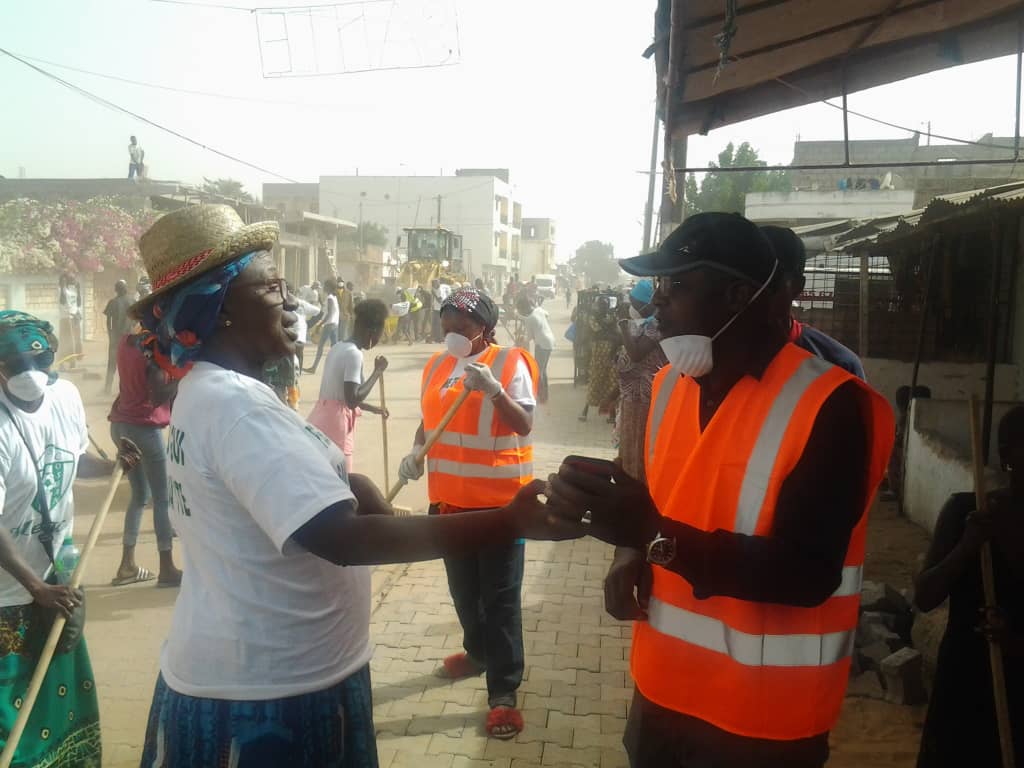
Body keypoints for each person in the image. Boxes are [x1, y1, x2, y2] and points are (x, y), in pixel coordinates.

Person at [130, 205, 577, 767]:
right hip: (270, 694)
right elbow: (343, 540)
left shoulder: (214, 391)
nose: (292, 303)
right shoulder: (239, 410)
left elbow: (281, 491)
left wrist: (352, 480)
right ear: (218, 309)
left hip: (260, 667)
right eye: (271, 289)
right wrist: (509, 522)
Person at [545, 212, 895, 768]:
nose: (657, 302)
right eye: (657, 286)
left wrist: (650, 536)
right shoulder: (668, 386)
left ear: (736, 295)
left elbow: (808, 573)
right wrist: (628, 549)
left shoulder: (831, 405)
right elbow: (662, 503)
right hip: (663, 692)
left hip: (763, 720)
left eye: (676, 285)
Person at [397, 288, 539, 739]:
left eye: (464, 325)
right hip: (448, 504)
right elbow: (430, 418)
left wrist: (494, 391)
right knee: (464, 594)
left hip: (500, 508)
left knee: (499, 602)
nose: (453, 332)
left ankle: (503, 695)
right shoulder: (438, 365)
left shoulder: (511, 362)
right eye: (447, 323)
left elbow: (523, 423)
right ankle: (477, 654)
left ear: (484, 328)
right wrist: (417, 451)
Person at [0, 310, 138, 768]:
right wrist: (34, 588)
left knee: (58, 686)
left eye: (39, 367)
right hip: (8, 592)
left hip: (59, 570)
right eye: (15, 369)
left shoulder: (66, 397)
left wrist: (113, 464)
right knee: (11, 703)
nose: (30, 379)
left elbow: (72, 457)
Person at [913, 406, 1024, 768]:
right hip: (965, 679)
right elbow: (926, 597)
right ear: (1006, 453)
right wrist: (968, 545)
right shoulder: (966, 511)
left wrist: (1016, 640)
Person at [108, 331, 181, 587]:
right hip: (144, 426)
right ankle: (167, 567)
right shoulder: (155, 346)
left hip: (120, 424)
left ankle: (127, 565)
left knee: (139, 497)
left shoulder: (126, 340)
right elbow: (159, 393)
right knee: (162, 498)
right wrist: (184, 377)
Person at [760, 225, 866, 380]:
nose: (747, 294)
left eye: (766, 280)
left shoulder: (840, 366)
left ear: (796, 286)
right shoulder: (717, 358)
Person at [307, 300, 389, 472]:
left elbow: (340, 396)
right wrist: (377, 372)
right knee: (343, 482)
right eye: (379, 337)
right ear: (371, 333)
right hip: (336, 426)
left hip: (320, 417)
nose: (376, 342)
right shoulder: (354, 354)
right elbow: (351, 400)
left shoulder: (338, 347)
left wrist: (374, 409)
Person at [612, 279, 667, 482]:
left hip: (647, 398)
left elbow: (636, 354)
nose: (631, 306)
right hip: (632, 398)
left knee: (641, 448)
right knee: (629, 448)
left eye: (634, 302)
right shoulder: (643, 324)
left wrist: (624, 328)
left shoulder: (656, 326)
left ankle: (638, 490)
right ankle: (627, 485)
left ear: (647, 302)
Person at [579, 294, 619, 422]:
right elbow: (599, 332)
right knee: (595, 380)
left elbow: (616, 333)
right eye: (602, 304)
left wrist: (611, 334)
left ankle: (612, 415)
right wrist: (612, 335)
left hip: (611, 353)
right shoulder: (593, 317)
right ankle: (585, 411)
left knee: (611, 381)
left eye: (606, 304)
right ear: (598, 305)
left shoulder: (611, 317)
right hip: (598, 354)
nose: (604, 307)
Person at [516, 295, 554, 404]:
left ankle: (540, 395)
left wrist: (520, 341)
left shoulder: (530, 319)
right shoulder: (538, 310)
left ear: (524, 308)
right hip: (550, 341)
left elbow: (529, 337)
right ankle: (545, 395)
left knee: (538, 371)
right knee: (543, 369)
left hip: (541, 344)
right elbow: (547, 314)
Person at [103, 279, 135, 394]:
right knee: (128, 364)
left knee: (112, 363)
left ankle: (107, 389)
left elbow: (108, 322)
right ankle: (127, 390)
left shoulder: (113, 302)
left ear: (116, 290)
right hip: (130, 338)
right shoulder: (132, 301)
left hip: (116, 337)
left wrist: (110, 334)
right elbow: (136, 320)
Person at [304, 278, 340, 374]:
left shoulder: (330, 298)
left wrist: (321, 324)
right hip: (334, 324)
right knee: (334, 347)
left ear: (328, 287)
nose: (323, 287)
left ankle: (314, 368)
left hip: (329, 324)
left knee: (320, 346)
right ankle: (338, 368)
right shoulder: (334, 297)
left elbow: (330, 313)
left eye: (325, 285)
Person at [57, 270, 83, 371]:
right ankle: (61, 364)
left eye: (74, 279)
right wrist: (63, 286)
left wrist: (79, 289)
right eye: (71, 279)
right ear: (65, 280)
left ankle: (73, 363)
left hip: (74, 318)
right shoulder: (60, 290)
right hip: (65, 318)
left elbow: (78, 303)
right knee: (65, 342)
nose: (74, 280)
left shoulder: (73, 289)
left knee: (75, 341)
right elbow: (63, 301)